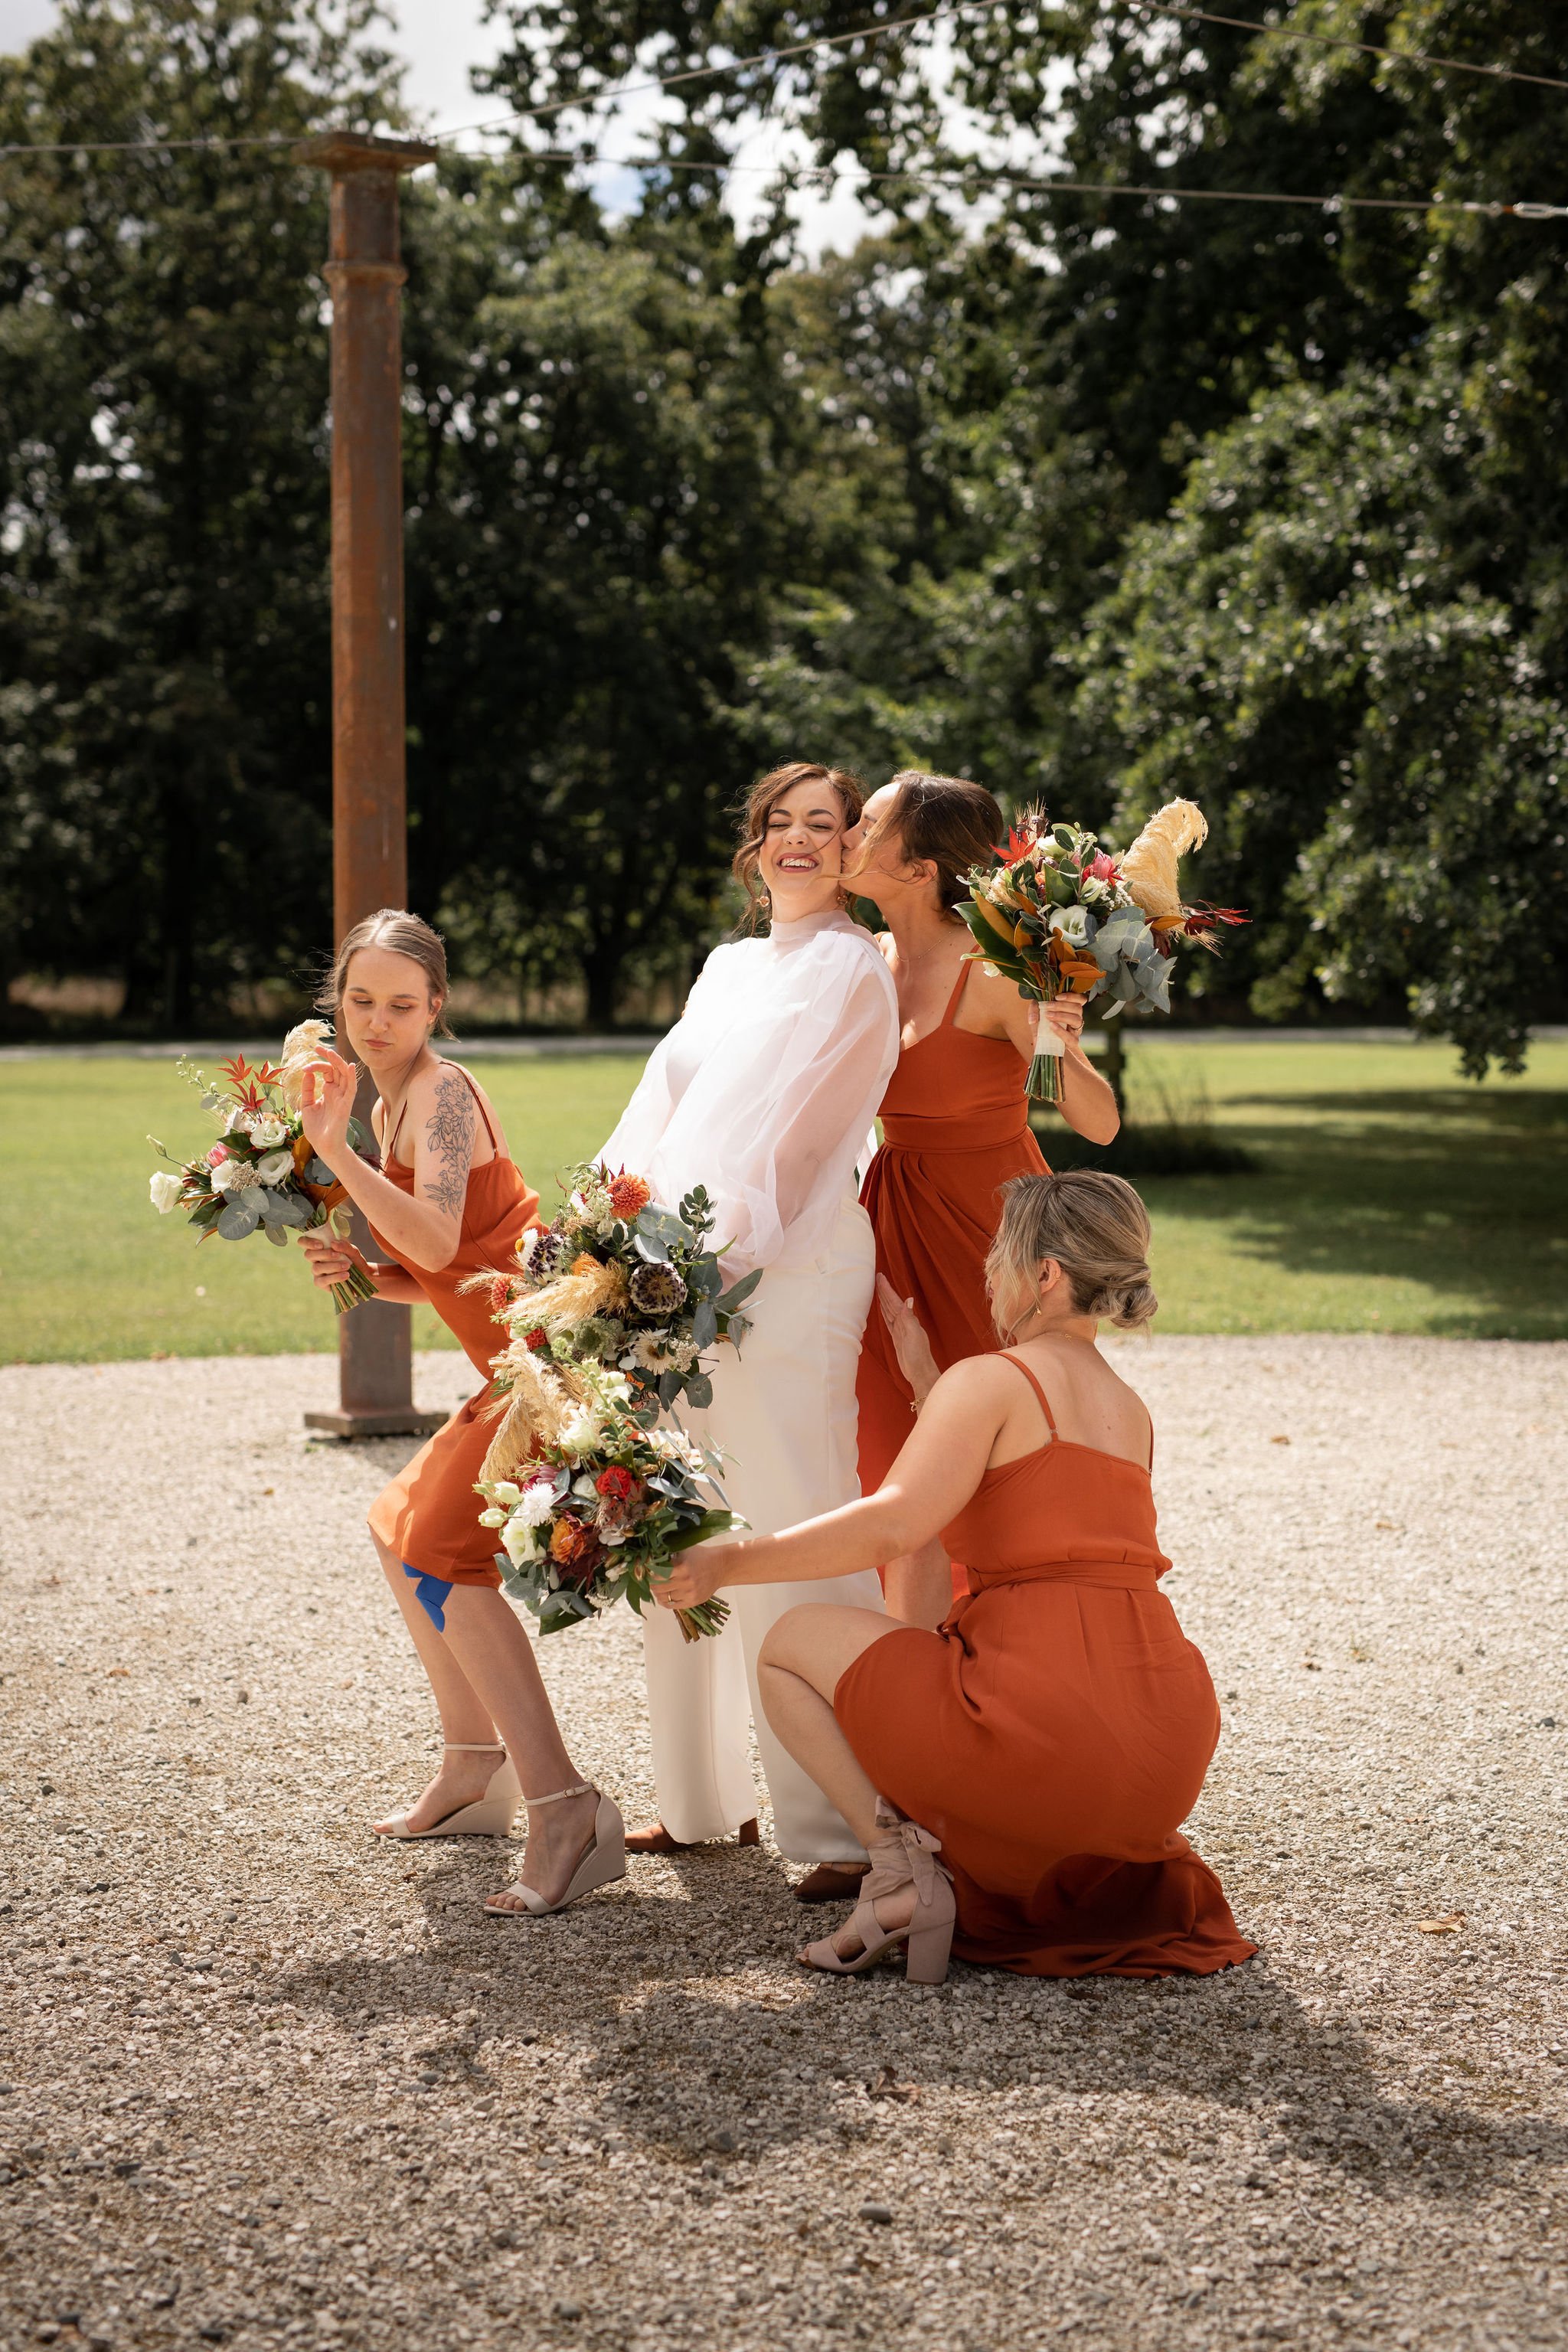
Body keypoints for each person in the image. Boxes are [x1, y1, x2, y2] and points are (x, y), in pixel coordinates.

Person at [655, 1169, 1255, 1984]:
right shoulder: (1127, 1408)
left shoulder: (993, 1382)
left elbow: (896, 1523)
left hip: (1049, 1731)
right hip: (1161, 1747)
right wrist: (929, 1386)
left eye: (999, 1254)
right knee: (932, 1661)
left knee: (789, 1645)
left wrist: (730, 1561)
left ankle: (898, 1874)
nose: (986, 1272)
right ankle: (936, 1854)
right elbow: (1032, 1508)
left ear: (1045, 1275)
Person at [596, 762, 900, 1902]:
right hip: (678, 1271)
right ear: (753, 842)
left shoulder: (852, 966)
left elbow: (804, 1146)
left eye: (825, 826)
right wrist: (611, 1251)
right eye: (782, 823)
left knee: (791, 1515)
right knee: (673, 1517)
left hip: (791, 1266)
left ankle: (839, 1825)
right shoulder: (727, 966)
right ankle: (697, 1801)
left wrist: (705, 1269)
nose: (800, 842)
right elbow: (659, 1114)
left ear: (853, 847)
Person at [295, 909, 622, 1919]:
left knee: (441, 1551)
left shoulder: (439, 1092)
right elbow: (441, 1268)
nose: (379, 1020)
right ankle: (476, 1772)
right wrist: (358, 1277)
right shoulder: (390, 1103)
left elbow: (439, 1242)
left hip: (549, 1357)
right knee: (400, 1531)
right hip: (508, 1357)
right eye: (360, 1002)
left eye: (402, 1003)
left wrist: (330, 1154)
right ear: (337, 1004)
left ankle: (566, 1806)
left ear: (437, 1007)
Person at [844, 772, 1121, 1629]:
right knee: (896, 1450)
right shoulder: (868, 962)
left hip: (986, 1230)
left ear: (917, 866)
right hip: (886, 1218)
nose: (845, 833)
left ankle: (1022, 1649)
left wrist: (1058, 1041)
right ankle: (913, 1677)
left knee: (992, 1453)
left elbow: (1096, 1123)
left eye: (866, 823)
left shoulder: (992, 972)